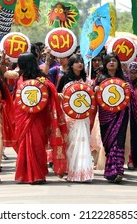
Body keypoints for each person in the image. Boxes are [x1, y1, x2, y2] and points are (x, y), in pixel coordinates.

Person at [13, 52, 68, 184]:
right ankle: (26, 173)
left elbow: (50, 92)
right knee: (26, 145)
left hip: (37, 116)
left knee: (37, 144)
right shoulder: (20, 77)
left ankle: (37, 174)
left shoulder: (41, 78)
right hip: (23, 115)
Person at [56, 54, 94, 183]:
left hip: (83, 117)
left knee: (83, 142)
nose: (79, 64)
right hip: (69, 116)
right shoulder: (64, 78)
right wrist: (59, 95)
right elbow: (56, 93)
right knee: (70, 143)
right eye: (76, 62)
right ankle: (70, 170)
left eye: (81, 61)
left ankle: (83, 172)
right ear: (71, 64)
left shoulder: (87, 80)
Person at [94, 53, 130, 183]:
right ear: (105, 64)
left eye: (114, 60)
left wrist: (128, 89)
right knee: (108, 142)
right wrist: (95, 89)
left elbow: (130, 94)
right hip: (105, 115)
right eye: (109, 61)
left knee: (118, 142)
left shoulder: (124, 78)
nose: (111, 63)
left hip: (121, 114)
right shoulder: (100, 78)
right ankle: (110, 170)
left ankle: (116, 171)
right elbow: (94, 94)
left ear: (118, 64)